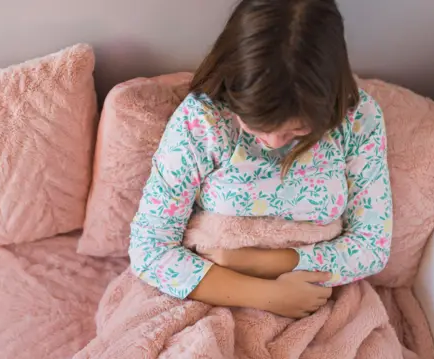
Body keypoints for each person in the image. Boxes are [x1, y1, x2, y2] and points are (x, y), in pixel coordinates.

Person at [128, 0, 392, 319]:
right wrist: (266, 295)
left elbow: (371, 247)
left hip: (313, 290)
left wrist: (258, 262)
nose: (273, 142)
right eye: (256, 125)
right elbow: (150, 250)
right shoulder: (204, 120)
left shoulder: (357, 119)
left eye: (297, 129)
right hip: (206, 287)